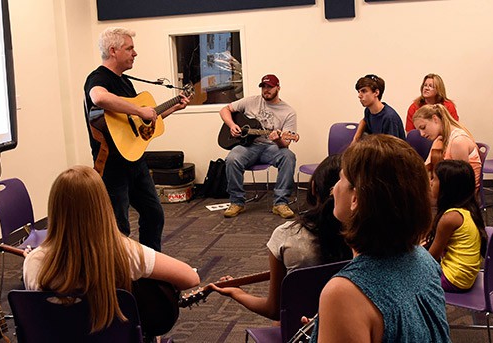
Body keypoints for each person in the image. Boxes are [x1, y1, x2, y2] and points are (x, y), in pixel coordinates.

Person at [23, 166, 200, 334]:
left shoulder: (34, 262)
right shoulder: (126, 253)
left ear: (54, 209)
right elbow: (191, 279)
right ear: (102, 206)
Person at [311, 135, 450, 342]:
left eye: (341, 178)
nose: (334, 189)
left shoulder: (344, 294)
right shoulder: (423, 259)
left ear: (356, 199)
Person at [83, 27, 190, 252]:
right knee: (118, 226)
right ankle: (117, 276)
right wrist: (141, 111)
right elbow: (98, 97)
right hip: (112, 165)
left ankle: (151, 266)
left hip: (135, 161)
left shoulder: (125, 82)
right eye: (129, 48)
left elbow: (138, 124)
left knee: (154, 214)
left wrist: (173, 108)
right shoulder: (98, 78)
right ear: (113, 51)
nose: (135, 53)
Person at [209, 155, 351, 319]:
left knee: (279, 323)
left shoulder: (287, 236)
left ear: (313, 188)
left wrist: (237, 293)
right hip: (357, 327)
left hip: (302, 330)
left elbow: (274, 310)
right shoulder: (372, 236)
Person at [220, 74, 297, 219]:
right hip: (248, 146)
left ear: (278, 88)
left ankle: (280, 203)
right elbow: (225, 110)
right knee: (232, 158)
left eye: (270, 87)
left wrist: (278, 139)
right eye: (263, 87)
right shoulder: (251, 101)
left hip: (271, 147)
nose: (266, 90)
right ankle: (236, 202)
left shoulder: (288, 112)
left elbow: (286, 144)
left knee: (289, 156)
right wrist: (232, 125)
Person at [427, 160, 486, 292]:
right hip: (465, 276)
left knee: (404, 278)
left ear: (447, 188)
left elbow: (431, 258)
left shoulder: (449, 218)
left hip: (453, 279)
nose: (430, 183)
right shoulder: (468, 210)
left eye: (434, 179)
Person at [413, 104, 482, 194]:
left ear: (435, 119)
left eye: (423, 128)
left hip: (460, 196)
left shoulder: (458, 141)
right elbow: (427, 168)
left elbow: (460, 183)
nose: (422, 134)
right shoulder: (439, 139)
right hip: (449, 187)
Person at [350, 74, 405, 143]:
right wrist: (356, 138)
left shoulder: (389, 117)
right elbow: (364, 121)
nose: (359, 96)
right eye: (359, 92)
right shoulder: (368, 111)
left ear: (376, 93)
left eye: (364, 91)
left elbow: (391, 149)